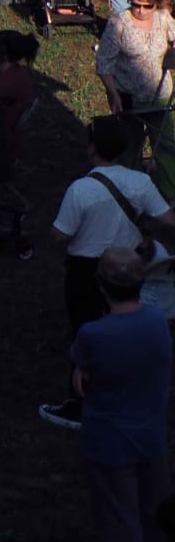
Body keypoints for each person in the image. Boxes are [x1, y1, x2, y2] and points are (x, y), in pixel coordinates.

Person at [42, 117, 175, 429]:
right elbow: (168, 219)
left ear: (91, 148)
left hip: (85, 269)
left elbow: (60, 235)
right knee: (123, 327)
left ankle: (79, 404)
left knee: (85, 332)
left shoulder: (80, 189)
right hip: (129, 265)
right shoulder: (140, 182)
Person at [69, 248, 170, 542]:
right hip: (151, 437)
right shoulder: (158, 322)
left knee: (120, 517)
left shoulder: (93, 335)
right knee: (154, 510)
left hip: (110, 443)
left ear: (101, 285)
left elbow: (82, 379)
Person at [94, 0, 175, 118]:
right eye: (136, 5)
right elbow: (103, 62)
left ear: (156, 4)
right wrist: (113, 94)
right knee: (131, 139)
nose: (141, 11)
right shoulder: (118, 23)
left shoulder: (163, 18)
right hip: (129, 96)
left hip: (160, 93)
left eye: (147, 6)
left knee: (164, 140)